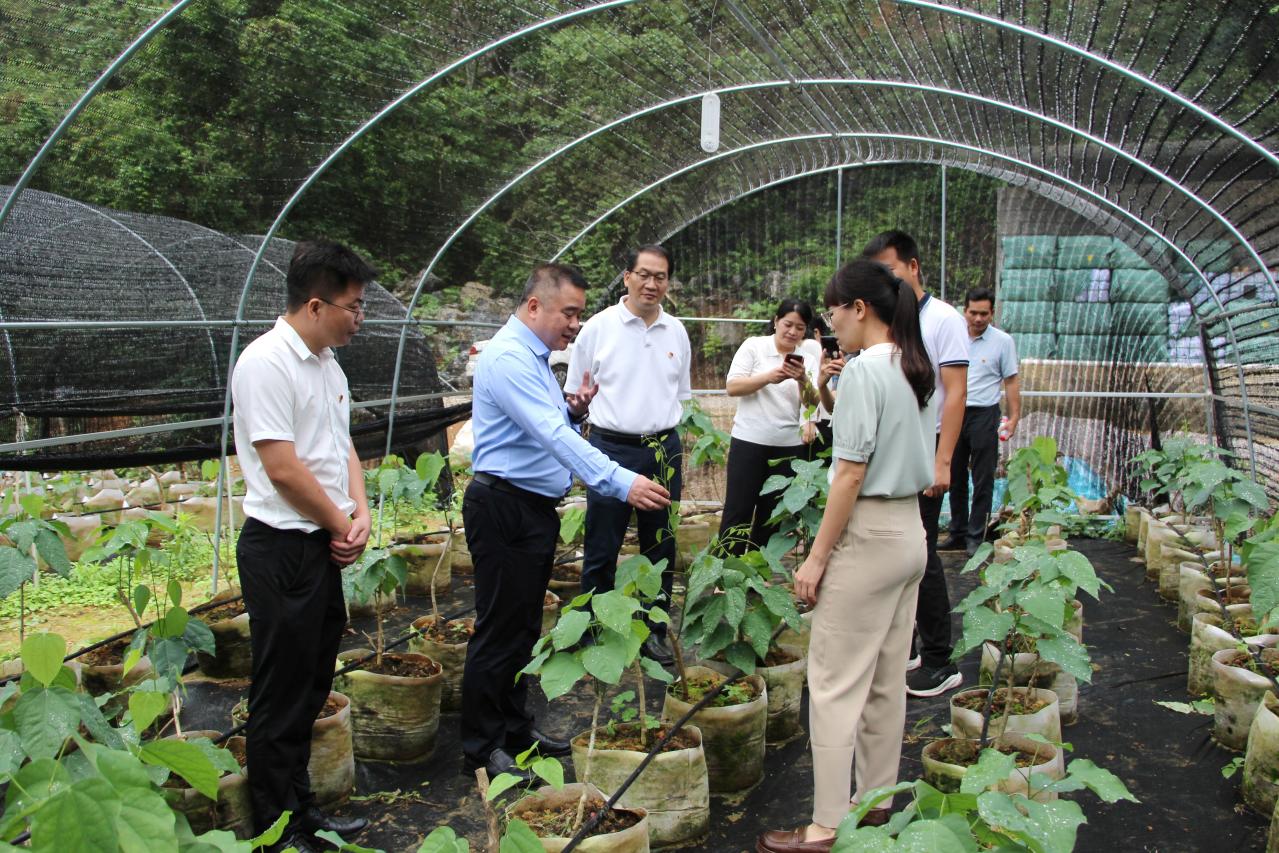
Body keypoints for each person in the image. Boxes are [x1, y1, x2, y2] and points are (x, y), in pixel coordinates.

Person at [462, 262, 671, 783]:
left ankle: (514, 728)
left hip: (528, 509)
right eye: (569, 312)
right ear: (535, 306)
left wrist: (573, 408)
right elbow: (553, 437)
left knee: (524, 626)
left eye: (579, 314)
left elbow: (551, 424)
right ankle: (482, 746)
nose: (575, 324)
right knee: (498, 630)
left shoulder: (535, 358)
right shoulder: (509, 358)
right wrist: (622, 481)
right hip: (503, 506)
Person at [756, 259, 936, 853]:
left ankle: (826, 826)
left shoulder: (864, 372)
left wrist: (816, 558)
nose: (828, 325)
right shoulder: (915, 368)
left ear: (859, 308)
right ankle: (876, 804)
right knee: (886, 680)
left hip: (869, 537)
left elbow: (850, 475)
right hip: (910, 535)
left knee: (832, 683)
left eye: (832, 311)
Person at [232, 240, 375, 853]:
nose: (360, 317)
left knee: (313, 679)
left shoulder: (326, 363)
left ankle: (300, 806)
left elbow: (339, 448)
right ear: (315, 304)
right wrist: (339, 524)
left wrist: (360, 511)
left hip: (320, 543)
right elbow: (284, 470)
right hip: (281, 547)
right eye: (353, 306)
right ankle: (275, 826)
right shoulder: (266, 364)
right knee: (280, 691)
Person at [564, 244, 691, 666]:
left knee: (661, 544)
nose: (652, 284)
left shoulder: (676, 331)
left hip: (662, 449)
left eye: (660, 277)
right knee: (602, 543)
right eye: (644, 274)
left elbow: (681, 394)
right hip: (609, 447)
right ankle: (590, 624)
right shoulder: (598, 328)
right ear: (627, 277)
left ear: (667, 282)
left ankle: (654, 628)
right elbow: (574, 392)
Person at [862, 230, 968, 699]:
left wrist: (942, 462)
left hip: (929, 450)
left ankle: (941, 660)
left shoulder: (943, 319)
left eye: (891, 270)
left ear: (914, 266)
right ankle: (907, 646)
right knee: (901, 550)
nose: (887, 280)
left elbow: (956, 393)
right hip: (899, 451)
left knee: (922, 556)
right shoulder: (892, 321)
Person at [721, 298, 821, 553]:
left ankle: (759, 570)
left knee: (771, 513)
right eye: (788, 324)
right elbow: (733, 387)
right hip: (749, 441)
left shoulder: (807, 359)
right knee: (738, 509)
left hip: (788, 445)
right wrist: (768, 377)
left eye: (800, 328)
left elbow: (812, 404)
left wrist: (802, 381)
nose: (792, 332)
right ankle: (727, 575)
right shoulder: (754, 346)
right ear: (776, 322)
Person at [941, 287, 1022, 557]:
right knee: (954, 476)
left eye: (983, 314)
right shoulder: (953, 337)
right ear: (965, 310)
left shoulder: (1002, 341)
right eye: (973, 313)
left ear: (992, 312)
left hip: (984, 414)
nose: (978, 319)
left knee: (983, 477)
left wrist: (1014, 417)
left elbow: (1010, 380)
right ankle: (958, 533)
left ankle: (977, 535)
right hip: (954, 412)